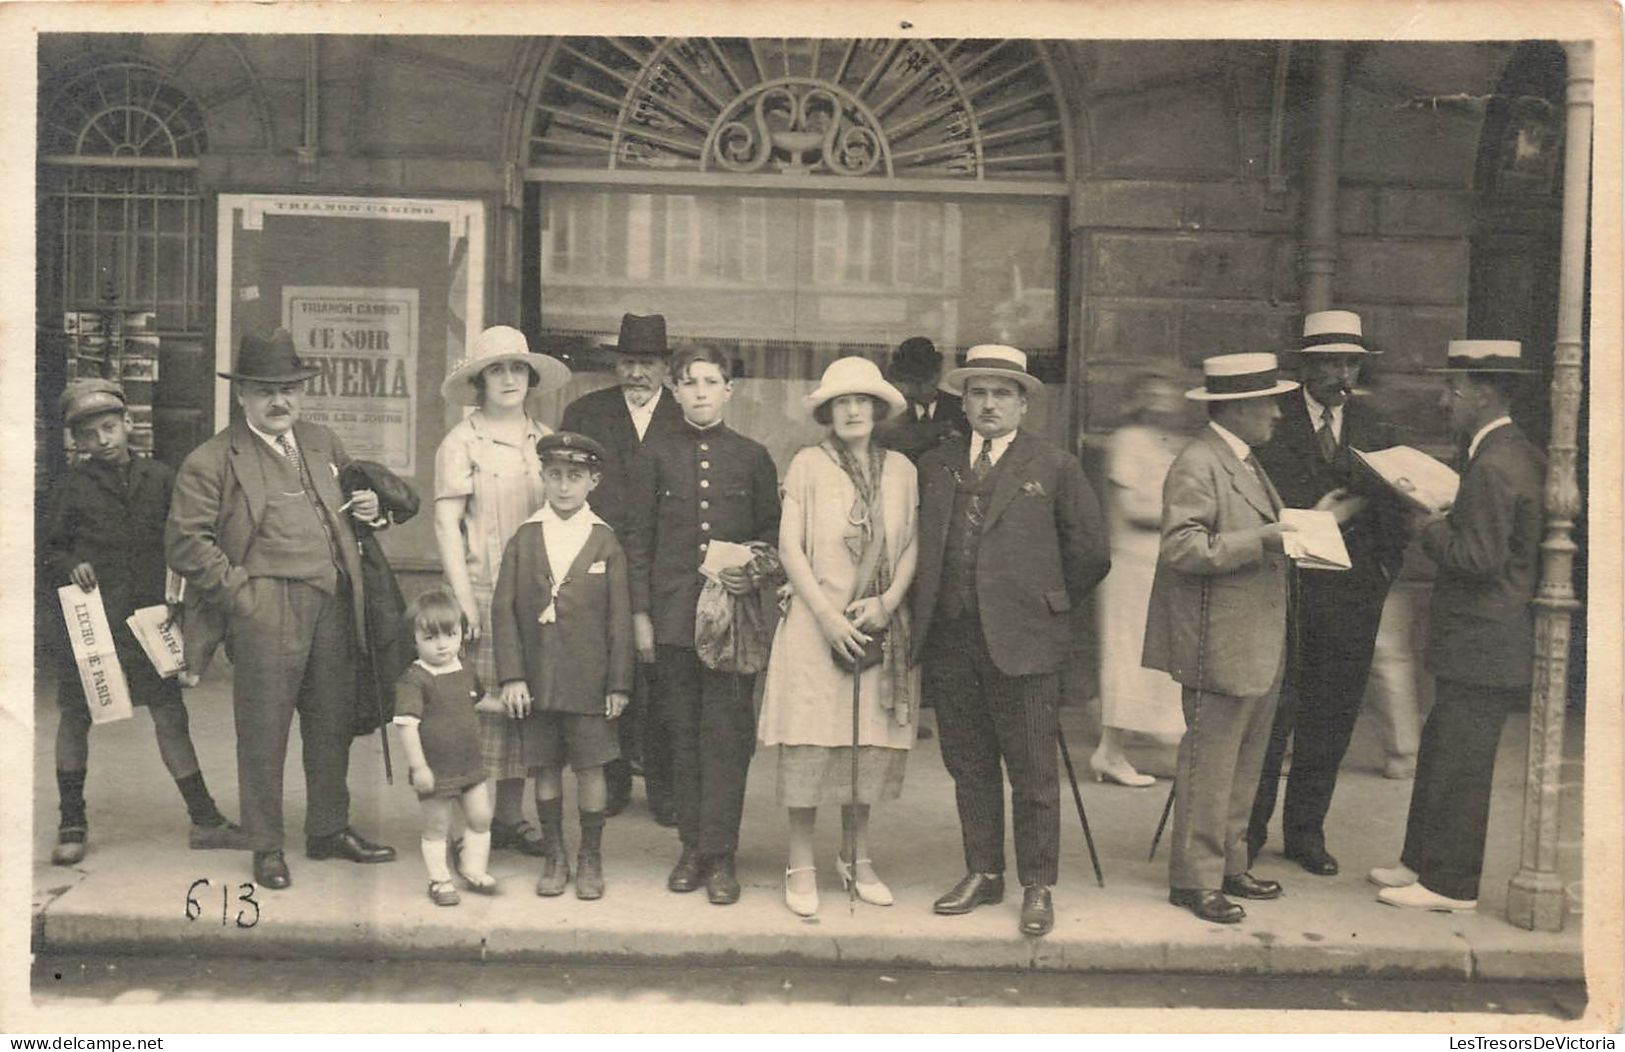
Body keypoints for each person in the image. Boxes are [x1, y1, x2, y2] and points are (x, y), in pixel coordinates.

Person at [166, 330, 396, 889]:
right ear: (241, 394)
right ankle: (266, 843)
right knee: (264, 729)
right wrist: (243, 596)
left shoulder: (321, 441)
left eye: (289, 389)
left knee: (332, 724)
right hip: (266, 606)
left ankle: (327, 829)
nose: (280, 401)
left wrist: (370, 508)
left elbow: (352, 514)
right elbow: (185, 542)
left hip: (334, 602)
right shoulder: (212, 459)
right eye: (266, 390)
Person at [1142, 352, 1364, 925]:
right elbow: (1182, 548)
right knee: (1211, 764)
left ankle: (1230, 864)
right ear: (1236, 407)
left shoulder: (1240, 458)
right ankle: (1194, 880)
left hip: (1254, 638)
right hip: (1217, 641)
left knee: (1245, 761)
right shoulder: (1199, 462)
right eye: (1267, 402)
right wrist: (1264, 538)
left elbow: (1258, 528)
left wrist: (1311, 520)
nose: (1278, 413)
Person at [913, 344, 1111, 938]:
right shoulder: (938, 464)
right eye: (978, 392)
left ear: (1023, 403)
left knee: (1032, 772)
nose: (989, 403)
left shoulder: (1054, 466)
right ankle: (983, 872)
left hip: (1025, 641)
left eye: (1002, 393)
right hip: (952, 638)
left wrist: (1047, 604)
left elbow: (1091, 554)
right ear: (964, 402)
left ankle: (1037, 885)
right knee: (969, 765)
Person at [1370, 340, 1544, 911]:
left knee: (1461, 764)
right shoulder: (1504, 451)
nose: (1445, 400)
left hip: (1483, 636)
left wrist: (1429, 524)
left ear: (1486, 394)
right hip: (1478, 637)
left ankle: (1451, 885)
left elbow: (1478, 558)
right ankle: (1420, 863)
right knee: (1445, 750)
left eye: (1455, 389)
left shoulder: (1495, 462)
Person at [42, 379, 238, 866]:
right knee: (76, 717)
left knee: (170, 714)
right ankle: (72, 820)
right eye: (89, 434)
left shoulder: (161, 478)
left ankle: (205, 818)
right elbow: (48, 547)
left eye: (109, 427)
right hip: (92, 624)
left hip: (149, 619)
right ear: (77, 442)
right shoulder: (70, 487)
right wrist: (69, 564)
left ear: (129, 424)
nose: (102, 439)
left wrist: (182, 600)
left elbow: (186, 537)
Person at [1246, 310, 1409, 877]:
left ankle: (1305, 834)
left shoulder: (1377, 426)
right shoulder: (1273, 418)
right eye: (1331, 363)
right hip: (1283, 594)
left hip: (1351, 600)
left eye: (1351, 363)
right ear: (1306, 366)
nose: (1343, 374)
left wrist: (1380, 575)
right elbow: (1258, 503)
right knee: (1270, 718)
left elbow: (1399, 510)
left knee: (1330, 719)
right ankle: (1247, 832)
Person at [758, 357, 920, 918]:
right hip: (814, 625)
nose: (853, 410)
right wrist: (828, 617)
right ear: (828, 410)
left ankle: (857, 855)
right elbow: (789, 549)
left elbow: (912, 546)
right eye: (841, 402)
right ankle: (800, 862)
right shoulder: (806, 464)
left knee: (866, 745)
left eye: (862, 400)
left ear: (878, 408)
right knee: (810, 742)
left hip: (877, 626)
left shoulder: (901, 469)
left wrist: (888, 601)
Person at [623, 346, 781, 906]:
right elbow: (636, 543)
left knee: (728, 739)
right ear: (676, 390)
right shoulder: (654, 456)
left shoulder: (753, 458)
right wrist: (642, 615)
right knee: (681, 736)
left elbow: (773, 538)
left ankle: (722, 854)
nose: (699, 392)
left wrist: (753, 572)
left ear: (728, 390)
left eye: (710, 382)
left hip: (733, 624)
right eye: (689, 382)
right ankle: (691, 848)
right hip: (672, 621)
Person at [433, 325, 572, 860]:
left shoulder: (547, 439)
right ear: (480, 381)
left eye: (518, 369)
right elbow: (448, 525)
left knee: (523, 710)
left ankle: (511, 820)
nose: (510, 379)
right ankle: (464, 828)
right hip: (481, 588)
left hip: (537, 593)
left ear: (530, 378)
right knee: (471, 712)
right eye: (498, 370)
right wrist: (465, 600)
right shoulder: (462, 442)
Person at [491, 432, 635, 901]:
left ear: (593, 480)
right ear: (543, 477)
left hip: (590, 683)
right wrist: (512, 676)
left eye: (575, 476)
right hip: (536, 681)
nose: (564, 486)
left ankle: (589, 855)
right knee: (546, 768)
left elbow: (619, 619)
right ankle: (555, 853)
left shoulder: (605, 542)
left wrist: (618, 683)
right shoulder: (526, 537)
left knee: (591, 769)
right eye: (555, 475)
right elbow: (503, 609)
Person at [559, 313, 685, 824]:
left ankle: (664, 786)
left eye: (648, 363)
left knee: (662, 683)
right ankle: (609, 781)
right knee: (601, 674)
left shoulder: (683, 416)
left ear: (665, 368)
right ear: (617, 365)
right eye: (629, 362)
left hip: (665, 565)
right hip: (596, 561)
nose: (637, 374)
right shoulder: (585, 414)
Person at [1091, 371, 1191, 787]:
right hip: (1131, 563)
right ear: (1139, 398)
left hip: (1167, 561)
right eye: (1153, 391)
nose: (1163, 398)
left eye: (1169, 390)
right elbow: (1133, 509)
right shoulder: (1127, 441)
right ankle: (1110, 752)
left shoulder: (1182, 444)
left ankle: (1165, 745)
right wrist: (1192, 516)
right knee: (1128, 654)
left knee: (1162, 657)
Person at [393, 587, 498, 906]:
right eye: (430, 638)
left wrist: (506, 705)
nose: (442, 645)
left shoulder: (465, 671)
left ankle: (473, 867)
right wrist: (419, 767)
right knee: (437, 825)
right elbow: (406, 726)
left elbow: (478, 702)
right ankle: (439, 879)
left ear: (462, 634)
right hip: (435, 770)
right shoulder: (415, 679)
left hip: (470, 765)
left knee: (481, 817)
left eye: (450, 635)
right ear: (414, 640)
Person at [874, 336, 966, 465]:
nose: (927, 385)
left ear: (937, 374)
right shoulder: (893, 409)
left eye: (929, 377)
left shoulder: (961, 407)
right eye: (915, 381)